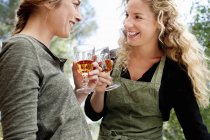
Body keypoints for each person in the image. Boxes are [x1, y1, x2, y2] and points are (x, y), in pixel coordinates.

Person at [84, 0, 210, 139]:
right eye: (127, 15)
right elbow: (93, 114)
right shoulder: (110, 59)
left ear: (159, 21)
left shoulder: (173, 72)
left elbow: (195, 131)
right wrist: (99, 91)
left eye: (137, 16)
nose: (127, 23)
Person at [0, 0, 102, 139]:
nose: (79, 17)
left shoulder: (36, 51)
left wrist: (79, 93)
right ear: (49, 2)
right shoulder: (22, 49)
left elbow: (53, 121)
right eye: (75, 4)